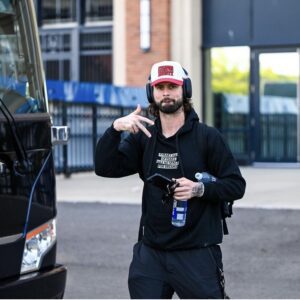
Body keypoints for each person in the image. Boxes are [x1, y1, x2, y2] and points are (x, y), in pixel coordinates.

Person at [95, 60, 246, 299]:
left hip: (196, 254)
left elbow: (237, 185)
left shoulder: (207, 137)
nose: (166, 93)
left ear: (185, 90)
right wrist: (115, 129)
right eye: (160, 87)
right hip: (151, 254)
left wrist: (199, 189)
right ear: (151, 92)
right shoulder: (144, 137)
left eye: (172, 86)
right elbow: (104, 167)